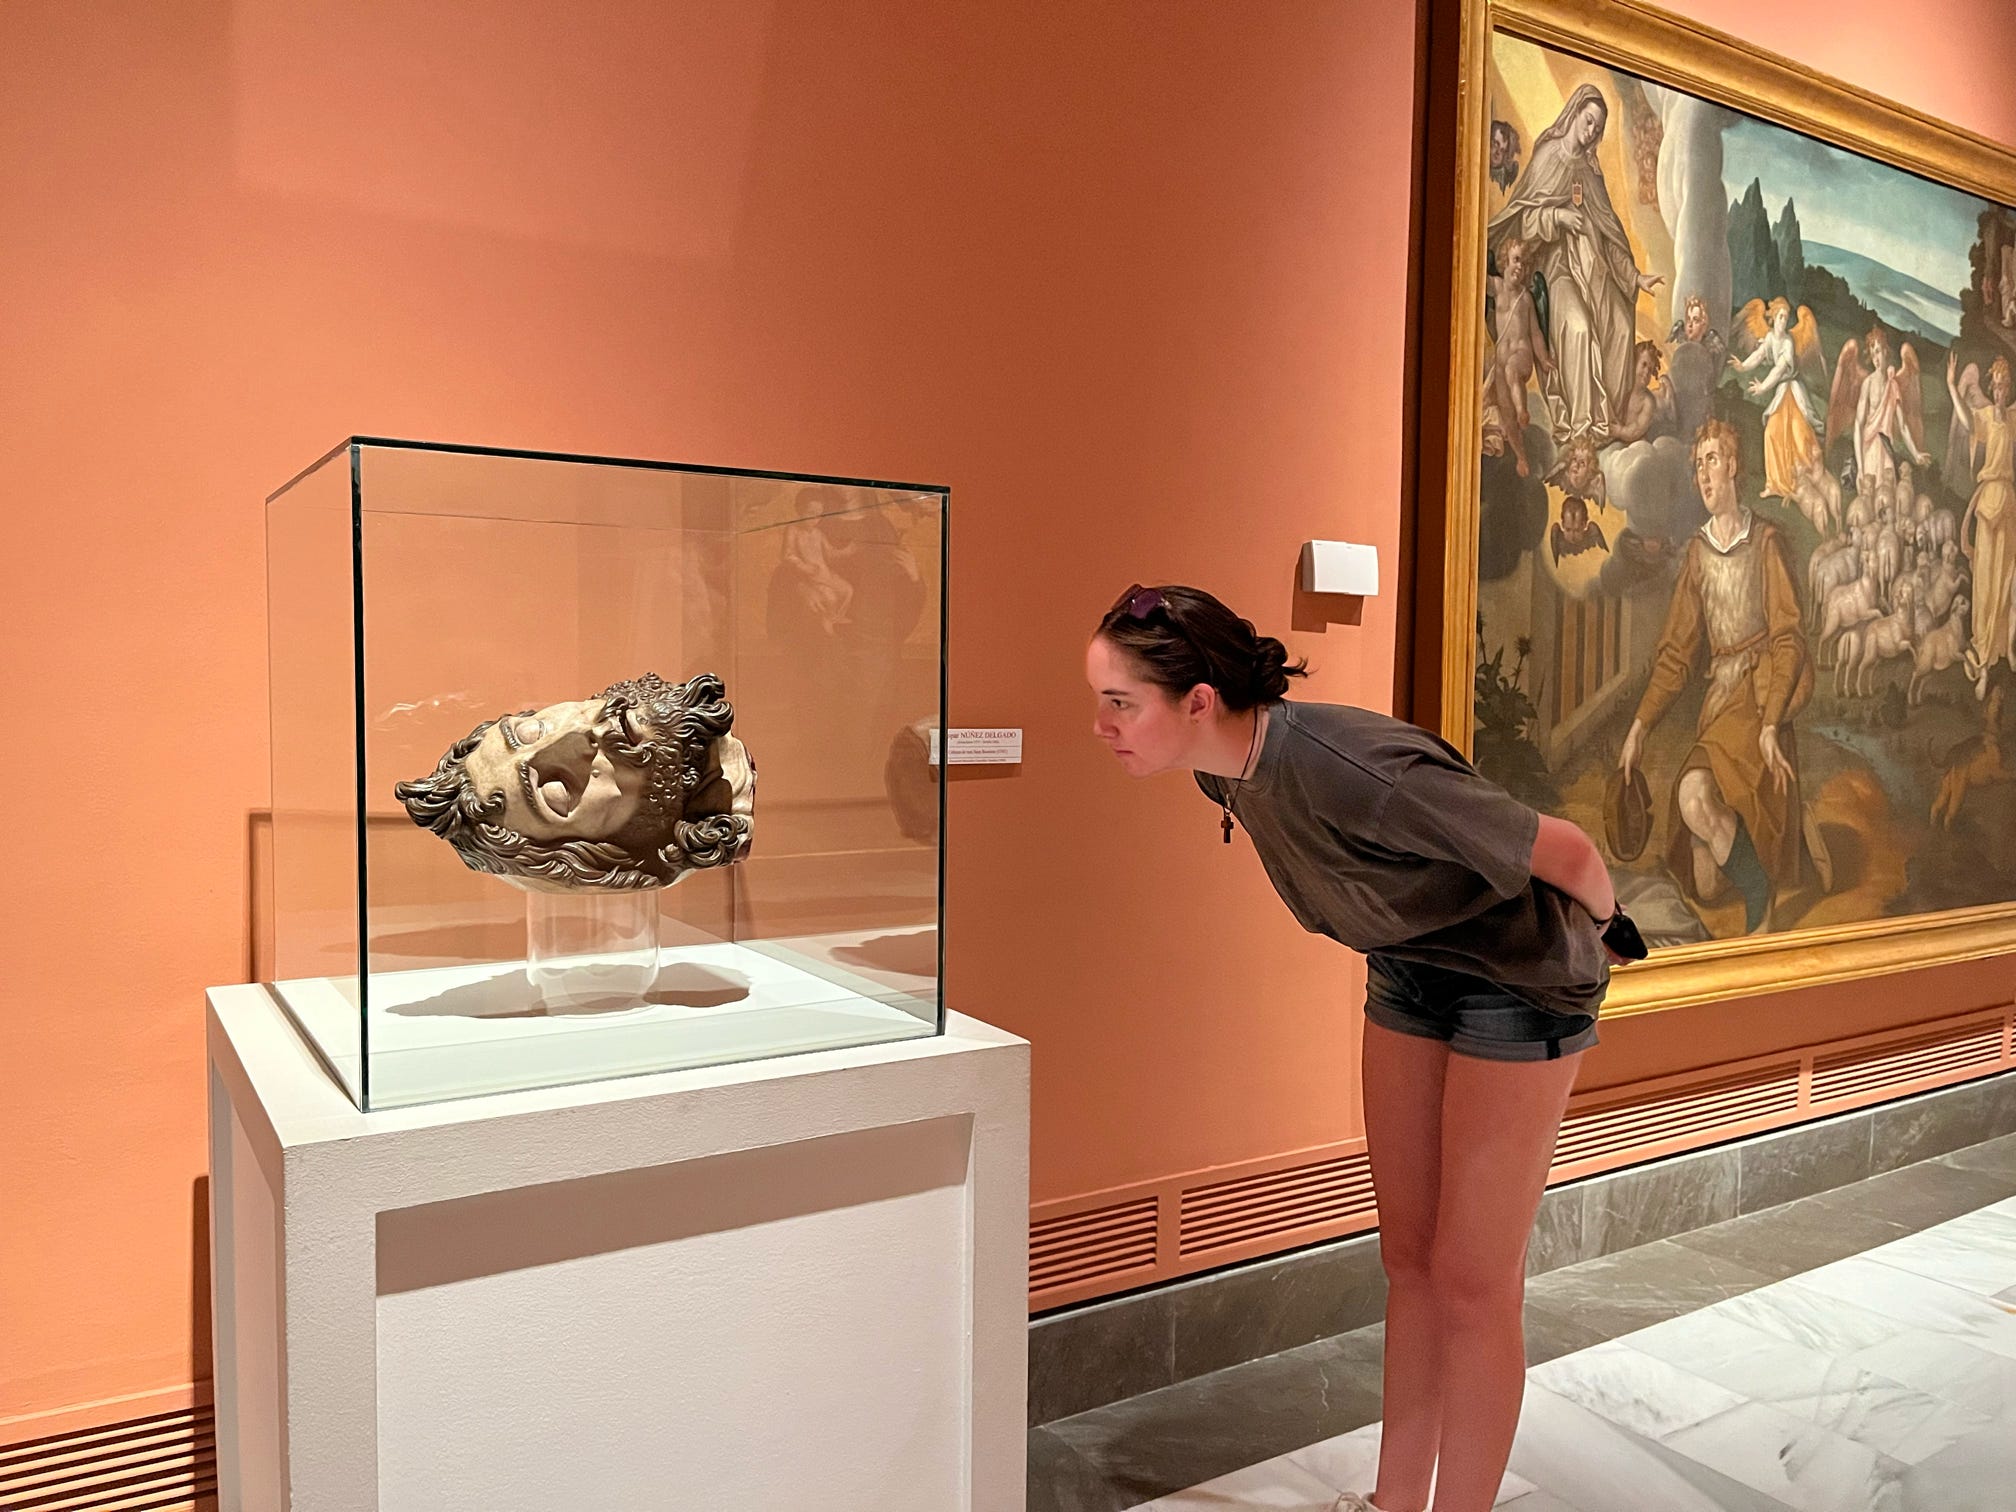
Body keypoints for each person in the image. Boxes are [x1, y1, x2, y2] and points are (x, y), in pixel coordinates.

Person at [1087, 585, 1635, 1512]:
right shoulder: (1223, 770)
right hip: (1410, 968)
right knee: (1409, 1262)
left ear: (1199, 702)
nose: (1102, 726)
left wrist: (1615, 931)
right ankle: (1394, 1502)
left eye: (1119, 703)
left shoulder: (1353, 769)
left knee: (1473, 1281)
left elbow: (1569, 853)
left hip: (1518, 977)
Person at [1618, 421, 1820, 935]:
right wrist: (1640, 727)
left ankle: (1760, 894)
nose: (1703, 475)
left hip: (1759, 695)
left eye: (1711, 460)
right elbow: (1676, 654)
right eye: (1698, 465)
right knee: (1706, 884)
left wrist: (1771, 722)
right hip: (1719, 702)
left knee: (1693, 798)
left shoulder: (1766, 542)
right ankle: (1775, 841)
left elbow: (1788, 637)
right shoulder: (1699, 552)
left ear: (1732, 465)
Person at [1487, 83, 1663, 445]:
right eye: (1589, 121)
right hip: (1555, 268)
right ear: (1575, 113)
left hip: (1591, 265)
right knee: (1579, 327)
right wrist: (1558, 217)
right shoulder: (1548, 156)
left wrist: (1634, 277)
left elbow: (1608, 230)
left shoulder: (1590, 171)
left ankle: (1605, 420)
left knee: (1619, 323)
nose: (1592, 131)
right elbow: (1525, 222)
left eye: (1598, 128)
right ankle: (1582, 424)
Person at [1948, 352, 2014, 699]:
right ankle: (1984, 664)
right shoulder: (1986, 417)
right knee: (1986, 583)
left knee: (2005, 584)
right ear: (1992, 388)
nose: (2000, 392)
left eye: (2005, 387)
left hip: (2009, 507)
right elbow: (1966, 420)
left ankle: (2004, 649)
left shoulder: (2014, 417)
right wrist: (1951, 387)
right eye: (1997, 387)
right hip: (1988, 503)